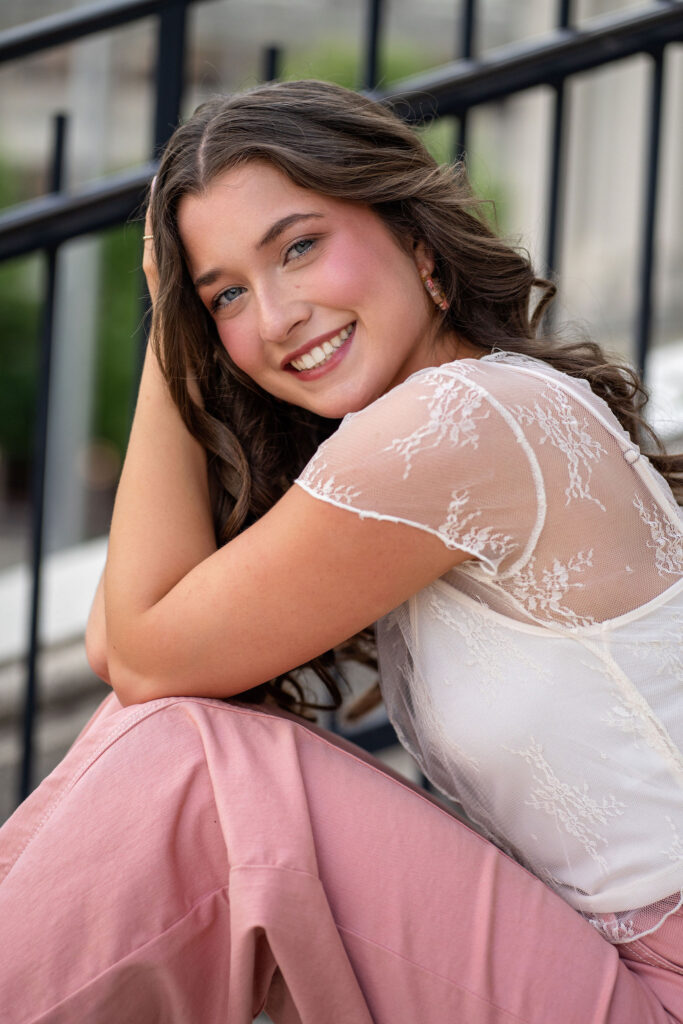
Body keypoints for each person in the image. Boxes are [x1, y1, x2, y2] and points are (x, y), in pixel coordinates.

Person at [1, 79, 682, 1023]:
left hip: (662, 978)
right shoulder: (457, 418)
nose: (275, 316)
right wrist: (178, 339)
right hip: (607, 957)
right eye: (227, 294)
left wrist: (168, 347)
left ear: (416, 240)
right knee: (160, 743)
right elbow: (126, 653)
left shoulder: (462, 420)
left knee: (199, 771)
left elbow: (151, 657)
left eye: (300, 247)